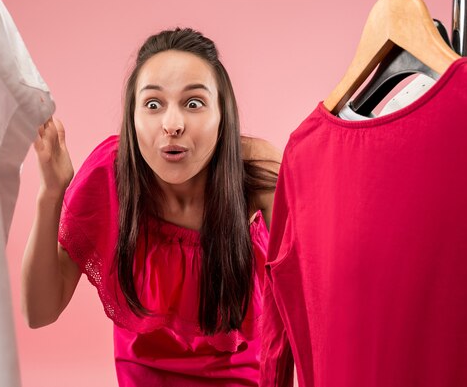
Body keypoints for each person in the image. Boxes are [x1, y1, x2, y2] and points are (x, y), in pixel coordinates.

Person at [22, 27, 281, 386]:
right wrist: (51, 193)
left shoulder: (257, 172)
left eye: (193, 103)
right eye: (153, 104)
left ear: (223, 115)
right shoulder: (110, 176)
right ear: (132, 118)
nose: (172, 125)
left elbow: (308, 312)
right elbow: (39, 311)